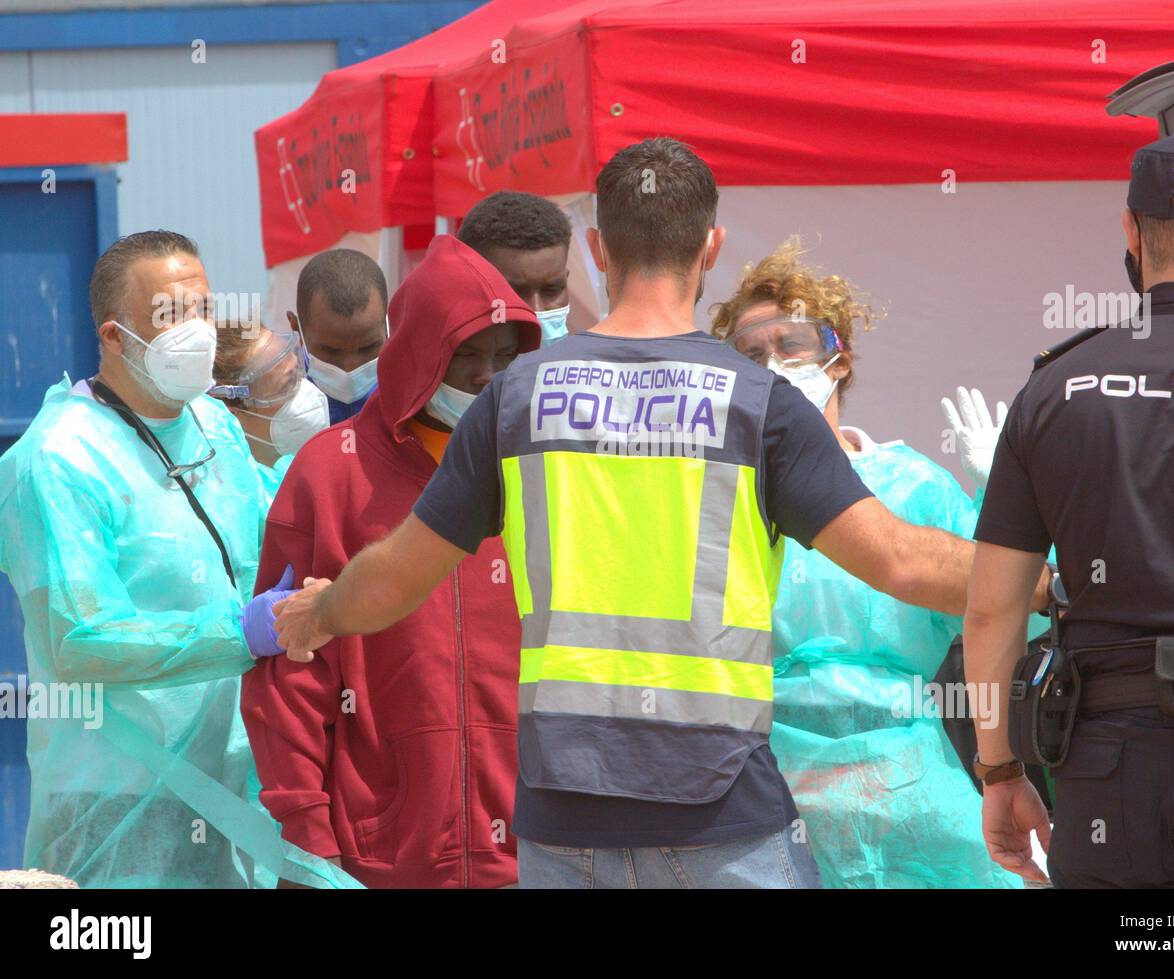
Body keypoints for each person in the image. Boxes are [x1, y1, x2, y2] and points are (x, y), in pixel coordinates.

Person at [273, 138, 1050, 889]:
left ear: (596, 252)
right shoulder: (758, 407)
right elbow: (903, 561)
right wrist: (1051, 582)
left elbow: (399, 574)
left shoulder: (516, 400)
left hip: (562, 819)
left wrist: (320, 611)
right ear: (711, 248)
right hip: (722, 815)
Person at [965, 132, 1174, 888]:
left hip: (1106, 778)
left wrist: (1000, 770)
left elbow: (991, 613)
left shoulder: (1057, 390)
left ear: (1129, 230)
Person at [0, 231, 350, 888]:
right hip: (119, 801)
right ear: (113, 335)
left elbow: (269, 528)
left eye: (203, 310)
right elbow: (79, 637)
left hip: (236, 783)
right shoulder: (59, 460)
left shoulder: (213, 426)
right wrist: (243, 631)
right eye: (170, 316)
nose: (195, 330)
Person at [711, 238, 1034, 888]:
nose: (772, 364)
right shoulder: (722, 495)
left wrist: (1012, 511)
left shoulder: (910, 486)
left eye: (791, 344)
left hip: (909, 796)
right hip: (769, 789)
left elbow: (1017, 615)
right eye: (750, 354)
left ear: (839, 360)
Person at [240, 235, 539, 888]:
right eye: (468, 358)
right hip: (377, 861)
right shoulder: (330, 474)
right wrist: (308, 844)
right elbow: (289, 681)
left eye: (505, 357)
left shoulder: (544, 475)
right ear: (421, 356)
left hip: (533, 855)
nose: (490, 377)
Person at [210, 319, 328, 495]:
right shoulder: (225, 497)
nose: (308, 392)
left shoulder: (320, 476)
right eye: (286, 385)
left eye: (298, 372)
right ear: (233, 412)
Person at [287, 249, 389, 424]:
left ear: (388, 325)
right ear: (296, 327)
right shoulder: (273, 414)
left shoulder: (416, 404)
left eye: (368, 348)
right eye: (331, 351)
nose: (350, 369)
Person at [458, 190, 573, 345]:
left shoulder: (593, 365)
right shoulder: (437, 366)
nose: (536, 310)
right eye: (515, 293)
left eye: (551, 290)